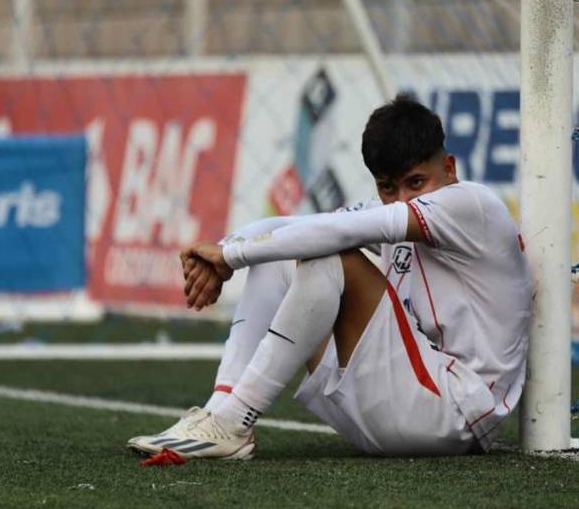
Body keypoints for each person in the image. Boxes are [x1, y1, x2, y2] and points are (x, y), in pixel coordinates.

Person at [128, 95, 532, 459]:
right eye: (389, 189)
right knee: (282, 255)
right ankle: (220, 410)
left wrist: (231, 256)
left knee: (327, 256)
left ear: (449, 168)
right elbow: (296, 227)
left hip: (457, 414)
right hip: (404, 405)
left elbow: (336, 234)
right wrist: (221, 252)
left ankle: (233, 420)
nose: (403, 199)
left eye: (417, 183)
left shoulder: (471, 204)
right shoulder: (399, 213)